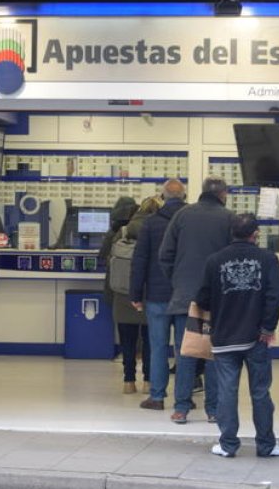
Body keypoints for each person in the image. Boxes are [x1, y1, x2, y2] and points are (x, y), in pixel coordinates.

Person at [195, 213, 279, 458]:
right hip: (256, 338)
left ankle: (227, 445)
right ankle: (266, 446)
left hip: (224, 337)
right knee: (260, 392)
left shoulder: (214, 261)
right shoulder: (268, 259)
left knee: (227, 392)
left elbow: (202, 298)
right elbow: (276, 295)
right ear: (255, 234)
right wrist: (267, 327)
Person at [159, 176, 233, 424]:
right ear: (223, 194)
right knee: (214, 354)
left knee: (186, 353)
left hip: (185, 297)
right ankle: (213, 410)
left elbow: (165, 254)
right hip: (219, 300)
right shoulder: (229, 219)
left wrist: (178, 280)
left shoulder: (182, 215)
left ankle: (181, 408)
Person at [129, 179, 186, 410]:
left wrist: (135, 293)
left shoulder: (151, 223)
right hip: (185, 295)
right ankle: (184, 398)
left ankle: (157, 396)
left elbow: (140, 260)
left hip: (156, 295)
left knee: (158, 346)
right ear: (183, 197)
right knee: (185, 349)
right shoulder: (190, 220)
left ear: (162, 197)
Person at [100, 195, 151, 394]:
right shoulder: (154, 231)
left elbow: (103, 254)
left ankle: (128, 382)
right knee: (150, 340)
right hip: (147, 292)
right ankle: (148, 381)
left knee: (127, 339)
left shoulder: (118, 232)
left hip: (121, 292)